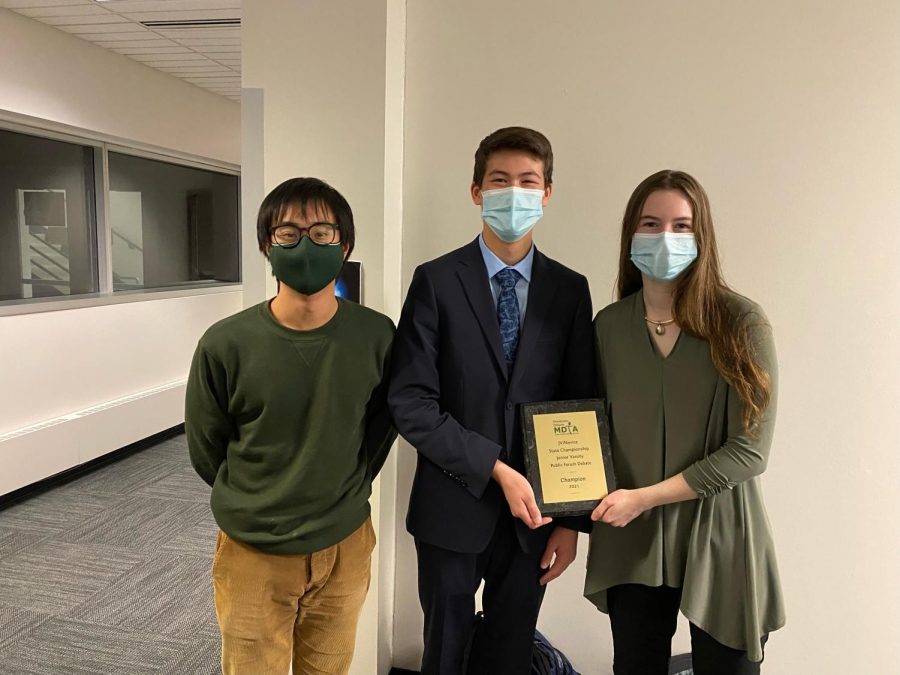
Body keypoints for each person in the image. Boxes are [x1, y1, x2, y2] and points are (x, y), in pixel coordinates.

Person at [389, 126, 595, 675]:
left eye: (528, 182)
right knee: (445, 656)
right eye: (499, 181)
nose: (514, 193)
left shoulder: (569, 290)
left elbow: (577, 407)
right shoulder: (435, 281)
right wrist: (495, 468)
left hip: (536, 521)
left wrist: (572, 522)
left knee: (509, 657)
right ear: (477, 190)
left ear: (547, 193)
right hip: (450, 510)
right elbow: (410, 400)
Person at [185, 177, 396, 675]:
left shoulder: (376, 336)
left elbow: (381, 429)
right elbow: (206, 449)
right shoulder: (225, 344)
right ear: (266, 246)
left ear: (345, 245)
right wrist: (260, 499)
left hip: (344, 545)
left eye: (322, 233)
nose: (306, 244)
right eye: (288, 233)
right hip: (253, 552)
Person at [585, 170, 785, 674]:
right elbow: (586, 431)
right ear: (631, 233)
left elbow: (750, 452)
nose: (664, 238)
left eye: (681, 226)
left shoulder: (741, 324)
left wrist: (644, 498)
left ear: (703, 238)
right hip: (632, 539)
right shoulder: (608, 327)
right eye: (650, 224)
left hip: (720, 536)